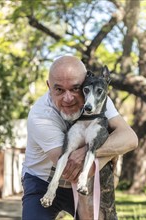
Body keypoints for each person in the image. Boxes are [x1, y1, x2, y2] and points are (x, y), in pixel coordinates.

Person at [21, 55, 138, 220]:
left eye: (75, 88)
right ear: (49, 87)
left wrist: (90, 152)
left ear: (85, 84)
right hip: (42, 181)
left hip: (85, 182)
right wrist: (113, 151)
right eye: (59, 90)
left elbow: (130, 138)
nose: (68, 98)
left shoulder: (97, 96)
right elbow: (72, 170)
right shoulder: (41, 116)